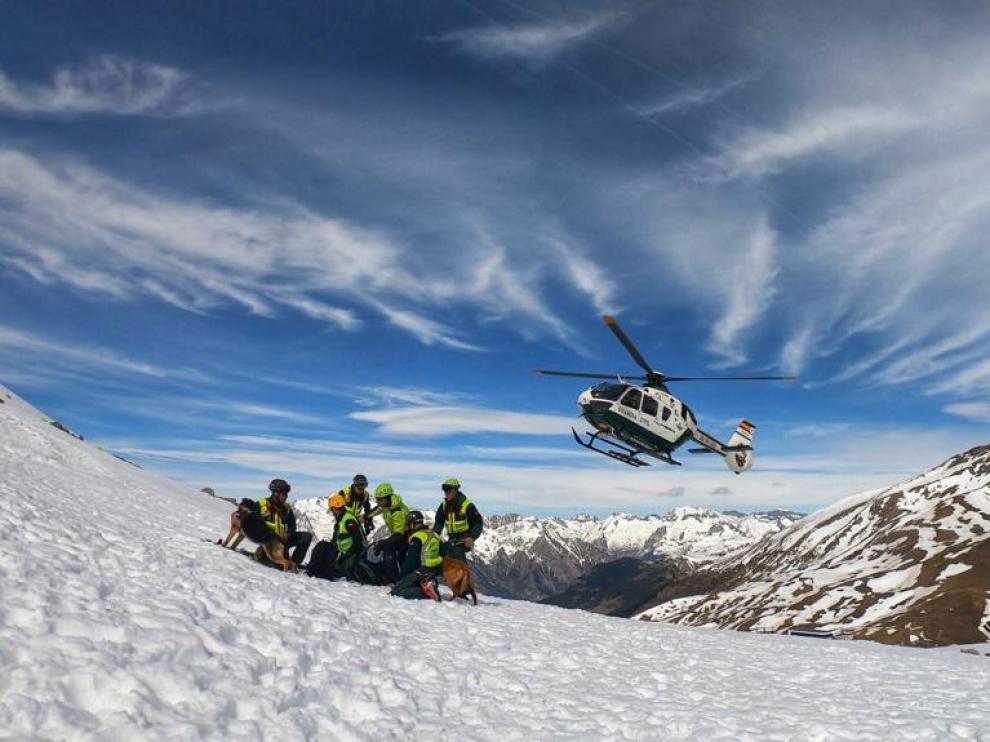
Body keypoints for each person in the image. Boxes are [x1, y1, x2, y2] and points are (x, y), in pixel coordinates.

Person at [390, 511, 442, 601]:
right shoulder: (434, 534)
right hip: (433, 570)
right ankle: (428, 584)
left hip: (421, 570)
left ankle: (426, 591)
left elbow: (411, 561)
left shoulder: (418, 537)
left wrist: (401, 578)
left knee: (396, 591)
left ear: (412, 524)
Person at [260, 479, 312, 567]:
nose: (286, 497)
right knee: (277, 565)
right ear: (276, 493)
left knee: (306, 536)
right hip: (269, 542)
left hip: (283, 540)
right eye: (284, 494)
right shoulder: (262, 505)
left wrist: (288, 534)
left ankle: (294, 563)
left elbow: (292, 525)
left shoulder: (286, 508)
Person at [433, 477, 483, 562]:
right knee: (439, 551)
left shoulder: (467, 506)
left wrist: (472, 537)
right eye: (445, 491)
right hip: (451, 539)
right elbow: (439, 523)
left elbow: (478, 523)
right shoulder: (444, 506)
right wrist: (434, 536)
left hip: (465, 538)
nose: (446, 493)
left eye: (449, 491)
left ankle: (464, 574)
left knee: (457, 552)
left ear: (456, 491)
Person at [367, 482, 410, 562]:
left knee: (390, 549)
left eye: (379, 499)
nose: (377, 501)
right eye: (377, 499)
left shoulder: (397, 512)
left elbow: (398, 534)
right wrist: (366, 516)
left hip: (405, 536)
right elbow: (378, 509)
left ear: (387, 498)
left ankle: (395, 573)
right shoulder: (386, 505)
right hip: (397, 534)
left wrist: (382, 542)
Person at [329, 493, 366, 580]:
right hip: (346, 554)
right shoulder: (340, 519)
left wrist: (348, 554)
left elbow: (358, 540)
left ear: (336, 508)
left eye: (332, 509)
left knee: (341, 573)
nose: (332, 512)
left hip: (354, 554)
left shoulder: (348, 519)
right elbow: (336, 541)